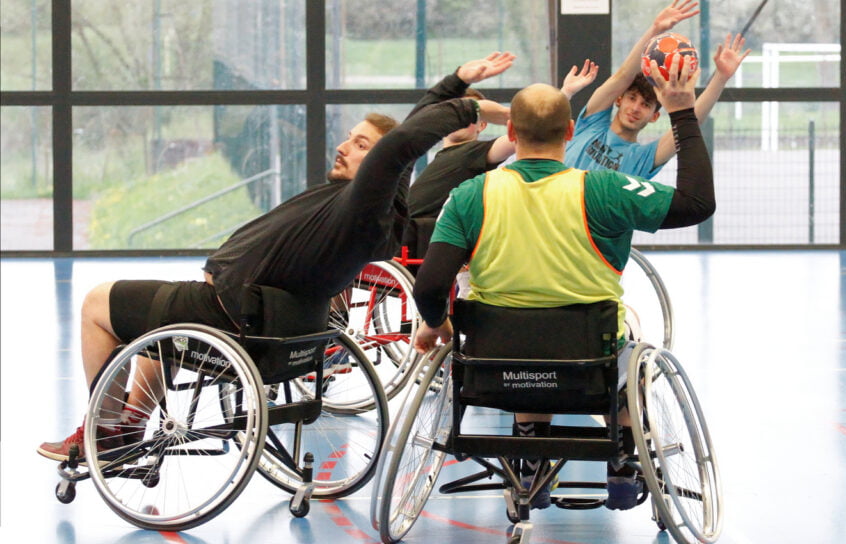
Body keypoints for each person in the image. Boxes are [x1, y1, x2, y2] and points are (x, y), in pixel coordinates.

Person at [37, 51, 517, 462]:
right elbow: (402, 145)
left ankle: (102, 433)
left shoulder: (359, 212)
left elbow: (399, 146)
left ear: (377, 165)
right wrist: (457, 81)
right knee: (158, 325)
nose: (346, 146)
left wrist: (467, 107)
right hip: (267, 320)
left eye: (360, 145)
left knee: (98, 305)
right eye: (350, 137)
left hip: (238, 318)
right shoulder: (365, 209)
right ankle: (128, 429)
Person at [411, 57, 713, 511]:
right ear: (571, 132)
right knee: (631, 360)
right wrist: (682, 112)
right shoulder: (607, 189)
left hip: (496, 365)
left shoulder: (470, 195)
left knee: (528, 352)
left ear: (511, 134)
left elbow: (429, 287)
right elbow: (696, 203)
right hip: (589, 362)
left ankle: (529, 458)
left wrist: (436, 325)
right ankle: (623, 464)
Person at [402, 60, 600, 259]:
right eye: (455, 112)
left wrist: (564, 93)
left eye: (468, 115)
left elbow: (530, 129)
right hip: (401, 241)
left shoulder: (476, 153)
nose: (458, 120)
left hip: (414, 251)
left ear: (482, 126)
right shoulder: (435, 157)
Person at [564, 0, 750, 180]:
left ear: (654, 116)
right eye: (632, 98)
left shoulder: (644, 158)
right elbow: (623, 76)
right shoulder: (591, 125)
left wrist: (721, 77)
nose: (636, 108)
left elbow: (690, 123)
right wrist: (656, 29)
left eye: (645, 105)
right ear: (619, 99)